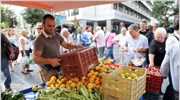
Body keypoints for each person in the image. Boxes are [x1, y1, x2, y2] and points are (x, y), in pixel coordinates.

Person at [33, 14, 83, 82]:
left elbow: (66, 45)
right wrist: (50, 61)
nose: (52, 28)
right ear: (43, 25)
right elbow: (36, 59)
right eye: (49, 26)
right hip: (47, 71)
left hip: (59, 69)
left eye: (53, 26)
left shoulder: (56, 35)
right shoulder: (39, 40)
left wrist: (76, 46)